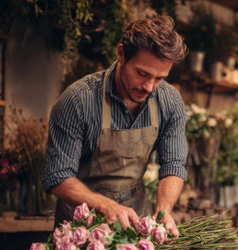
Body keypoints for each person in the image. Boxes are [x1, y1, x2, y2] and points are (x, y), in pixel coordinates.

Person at [42, 12, 189, 237]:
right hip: (81, 230)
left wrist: (163, 212)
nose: (149, 86)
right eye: (142, 73)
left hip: (135, 224)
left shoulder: (169, 101)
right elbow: (58, 176)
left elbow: (174, 166)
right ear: (121, 54)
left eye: (159, 78)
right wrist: (106, 205)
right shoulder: (78, 100)